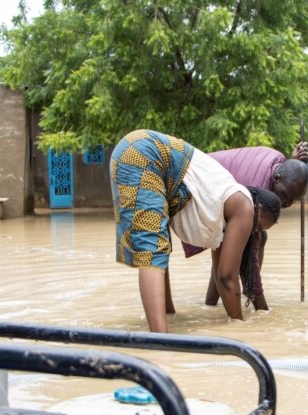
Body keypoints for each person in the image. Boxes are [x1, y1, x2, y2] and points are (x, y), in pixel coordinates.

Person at [109, 129, 282, 332]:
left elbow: (220, 276)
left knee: (158, 246)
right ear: (258, 208)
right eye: (257, 227)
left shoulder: (225, 211)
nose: (253, 234)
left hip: (136, 151)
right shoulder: (244, 207)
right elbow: (228, 278)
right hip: (146, 152)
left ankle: (167, 317)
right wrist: (240, 329)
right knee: (152, 248)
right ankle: (161, 342)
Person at [183, 144, 308, 310]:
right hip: (194, 185)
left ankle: (211, 305)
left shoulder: (278, 164)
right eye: (286, 195)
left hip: (209, 183)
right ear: (277, 178)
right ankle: (225, 303)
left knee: (240, 243)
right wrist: (261, 307)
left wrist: (294, 164)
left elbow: (287, 175)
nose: (286, 203)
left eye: (293, 200)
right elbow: (248, 259)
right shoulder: (255, 191)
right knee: (232, 247)